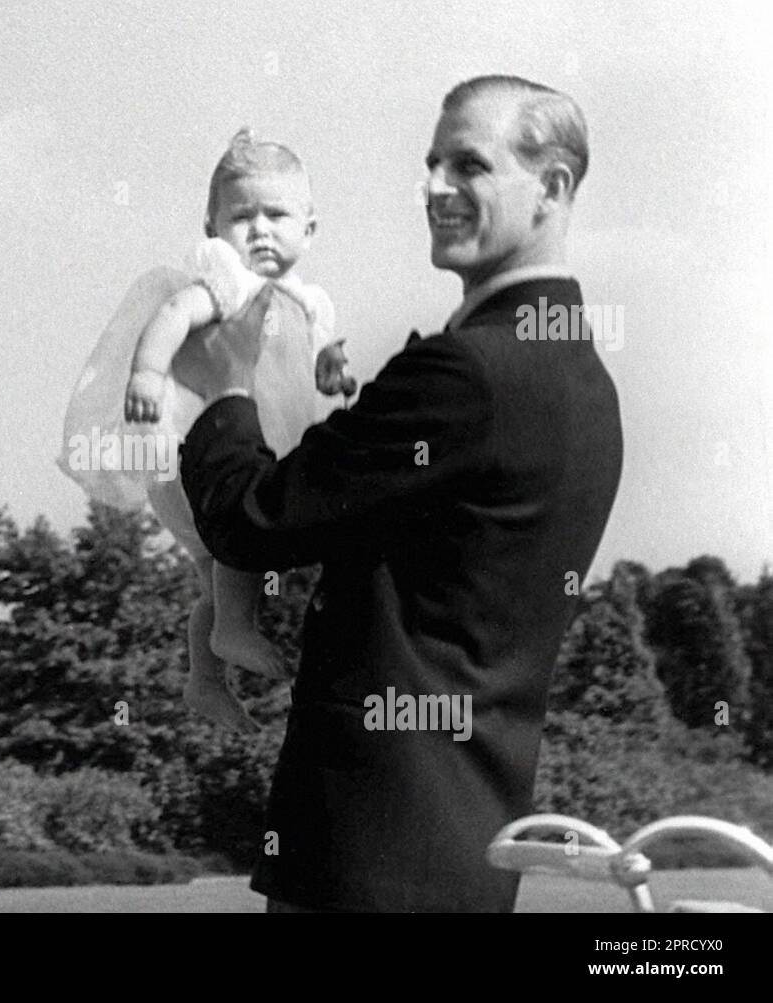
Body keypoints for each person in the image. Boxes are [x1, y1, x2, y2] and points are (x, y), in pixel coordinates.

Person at [176, 76, 623, 911]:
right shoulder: (583, 380)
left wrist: (225, 383)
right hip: (467, 847)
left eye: (470, 166)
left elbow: (250, 518)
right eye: (430, 163)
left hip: (366, 848)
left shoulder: (468, 374)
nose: (434, 188)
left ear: (553, 187)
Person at [58, 128, 353, 733]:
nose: (261, 230)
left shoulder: (310, 300)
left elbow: (321, 356)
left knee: (215, 579)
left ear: (310, 228)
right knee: (235, 555)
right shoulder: (227, 280)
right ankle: (234, 633)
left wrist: (333, 372)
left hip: (257, 451)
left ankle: (205, 678)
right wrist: (146, 373)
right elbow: (174, 315)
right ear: (212, 227)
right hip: (208, 457)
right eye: (242, 217)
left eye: (277, 215)